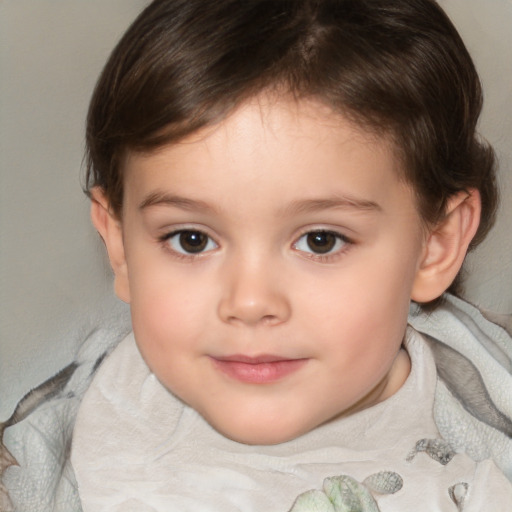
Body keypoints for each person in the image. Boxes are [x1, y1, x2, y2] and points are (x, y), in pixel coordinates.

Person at [59, 0, 512, 510]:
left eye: (321, 240)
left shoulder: (475, 475)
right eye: (192, 240)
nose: (250, 303)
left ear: (436, 245)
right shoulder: (67, 431)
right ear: (119, 246)